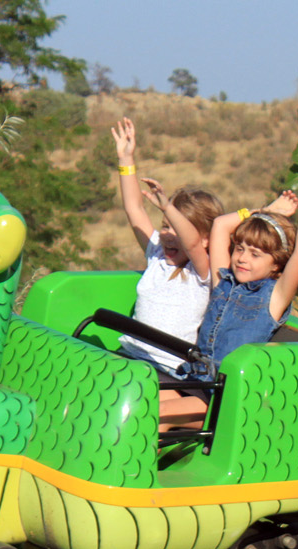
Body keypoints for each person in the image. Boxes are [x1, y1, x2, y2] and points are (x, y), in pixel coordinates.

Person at [159, 190, 298, 426]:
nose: (242, 259)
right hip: (196, 380)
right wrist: (267, 213)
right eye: (239, 249)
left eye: (255, 254)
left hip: (227, 398)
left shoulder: (273, 297)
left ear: (277, 263)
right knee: (141, 402)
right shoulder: (223, 282)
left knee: (157, 417)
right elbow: (220, 225)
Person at [108, 118, 221, 372]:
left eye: (177, 228)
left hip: (167, 369)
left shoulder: (202, 273)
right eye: (165, 225)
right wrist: (126, 160)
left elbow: (191, 245)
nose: (168, 235)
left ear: (206, 239)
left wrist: (168, 206)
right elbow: (134, 208)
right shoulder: (157, 255)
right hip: (129, 358)